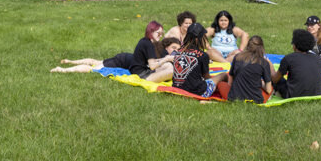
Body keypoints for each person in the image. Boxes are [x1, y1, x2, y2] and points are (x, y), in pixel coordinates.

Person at [51, 37, 181, 74]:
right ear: (166, 46)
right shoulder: (163, 54)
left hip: (125, 58)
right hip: (122, 61)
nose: (174, 51)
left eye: (177, 49)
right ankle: (62, 70)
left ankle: (71, 61)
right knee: (92, 69)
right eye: (173, 48)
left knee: (95, 61)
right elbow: (154, 66)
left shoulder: (156, 48)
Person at [171, 23, 224, 97]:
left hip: (177, 89)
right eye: (204, 37)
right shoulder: (202, 55)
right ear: (198, 39)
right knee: (223, 75)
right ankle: (230, 95)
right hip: (197, 92)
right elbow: (206, 77)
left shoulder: (178, 52)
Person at [216, 36, 273, 103]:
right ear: (262, 48)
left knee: (220, 84)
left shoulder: (237, 57)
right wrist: (261, 83)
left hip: (234, 97)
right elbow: (268, 90)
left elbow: (230, 83)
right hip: (255, 98)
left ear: (248, 45)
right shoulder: (264, 63)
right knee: (271, 88)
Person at [271, 29, 321, 99]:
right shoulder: (317, 58)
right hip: (318, 93)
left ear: (294, 45)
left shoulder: (288, 58)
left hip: (293, 95)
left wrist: (270, 66)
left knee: (279, 81)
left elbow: (275, 79)